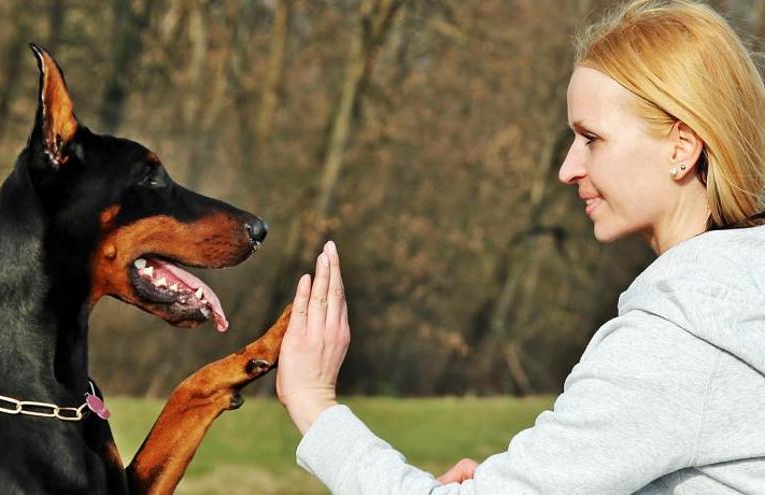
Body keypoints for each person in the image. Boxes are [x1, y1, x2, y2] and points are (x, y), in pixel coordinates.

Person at [275, 1, 765, 493]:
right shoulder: (739, 299)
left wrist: (314, 402)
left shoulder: (679, 343)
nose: (568, 168)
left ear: (681, 148)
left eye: (591, 138)